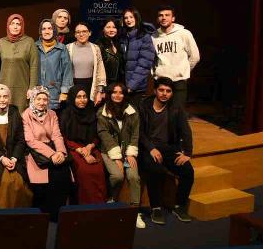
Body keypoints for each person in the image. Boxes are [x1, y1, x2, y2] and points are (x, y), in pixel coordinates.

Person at [138, 77, 195, 225]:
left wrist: (187, 153)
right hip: (148, 147)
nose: (164, 94)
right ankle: (156, 207)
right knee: (155, 169)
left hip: (169, 148)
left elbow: (186, 130)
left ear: (172, 93)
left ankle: (179, 206)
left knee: (188, 171)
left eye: (168, 91)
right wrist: (151, 148)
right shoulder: (144, 105)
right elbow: (139, 132)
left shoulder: (176, 107)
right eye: (161, 90)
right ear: (155, 91)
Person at [97, 82, 144, 227]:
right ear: (109, 94)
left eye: (121, 92)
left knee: (134, 177)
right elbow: (104, 136)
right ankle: (111, 199)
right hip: (109, 151)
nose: (118, 95)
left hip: (128, 151)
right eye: (114, 92)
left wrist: (131, 154)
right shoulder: (102, 113)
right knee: (117, 176)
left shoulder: (132, 112)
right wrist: (117, 157)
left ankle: (135, 211)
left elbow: (135, 134)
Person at [23, 85, 73, 221]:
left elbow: (57, 135)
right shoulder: (26, 115)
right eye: (38, 99)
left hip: (55, 150)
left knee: (63, 175)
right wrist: (52, 154)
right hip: (37, 154)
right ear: (33, 99)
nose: (42, 102)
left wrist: (61, 152)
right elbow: (30, 140)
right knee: (42, 184)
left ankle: (57, 216)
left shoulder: (52, 114)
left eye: (44, 99)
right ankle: (42, 217)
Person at [0, 84, 31, 209]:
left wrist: (14, 158)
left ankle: (19, 216)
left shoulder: (14, 112)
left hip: (13, 157)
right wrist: (2, 158)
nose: (2, 100)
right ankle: (3, 216)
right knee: (5, 182)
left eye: (5, 96)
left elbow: (20, 139)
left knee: (20, 182)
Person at [59, 86, 107, 206]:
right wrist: (80, 150)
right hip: (72, 148)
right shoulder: (66, 114)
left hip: (91, 147)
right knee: (84, 171)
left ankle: (99, 207)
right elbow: (63, 137)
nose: (82, 100)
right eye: (78, 97)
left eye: (84, 97)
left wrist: (90, 147)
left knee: (98, 170)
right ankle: (84, 207)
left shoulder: (92, 112)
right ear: (73, 98)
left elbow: (97, 135)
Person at [152, 5, 200, 109]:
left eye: (167, 15)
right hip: (161, 81)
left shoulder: (184, 34)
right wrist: (155, 73)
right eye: (161, 15)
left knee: (177, 113)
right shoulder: (154, 37)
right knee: (161, 113)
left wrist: (183, 71)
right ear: (157, 18)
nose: (163, 18)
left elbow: (195, 57)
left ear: (173, 18)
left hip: (178, 81)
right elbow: (152, 59)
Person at [0, 14, 39, 113]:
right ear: (8, 26)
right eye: (12, 23)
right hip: (4, 86)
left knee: (20, 115)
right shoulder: (1, 42)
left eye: (18, 24)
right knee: (5, 114)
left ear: (22, 26)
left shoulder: (29, 42)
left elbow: (34, 66)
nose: (15, 26)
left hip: (22, 88)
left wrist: (32, 88)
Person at [119, 7, 156, 107]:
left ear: (136, 18)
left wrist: (131, 85)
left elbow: (144, 64)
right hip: (124, 86)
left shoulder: (144, 37)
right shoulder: (124, 37)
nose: (128, 20)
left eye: (131, 17)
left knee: (135, 114)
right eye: (126, 18)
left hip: (137, 87)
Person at [36, 19, 73, 112]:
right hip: (37, 93)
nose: (47, 31)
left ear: (54, 31)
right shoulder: (34, 47)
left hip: (54, 94)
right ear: (40, 31)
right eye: (44, 29)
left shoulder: (62, 48)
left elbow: (67, 71)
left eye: (50, 28)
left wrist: (64, 92)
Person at [67, 22, 107, 104]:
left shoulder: (96, 48)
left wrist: (99, 91)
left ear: (90, 33)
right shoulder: (68, 48)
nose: (81, 34)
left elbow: (100, 70)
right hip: (73, 85)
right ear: (75, 34)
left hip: (90, 86)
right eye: (78, 32)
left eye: (84, 31)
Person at [96, 19, 125, 87]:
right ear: (103, 29)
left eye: (114, 27)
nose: (111, 30)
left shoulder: (118, 44)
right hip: (106, 85)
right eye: (108, 27)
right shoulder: (99, 45)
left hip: (118, 85)